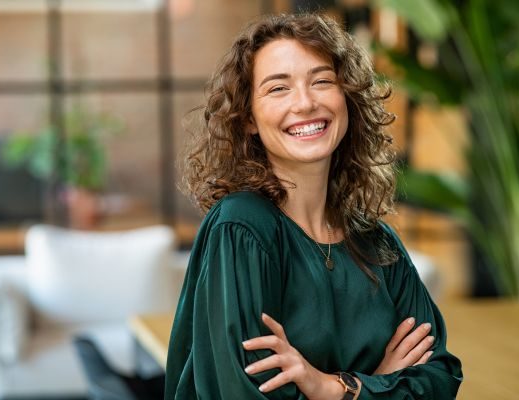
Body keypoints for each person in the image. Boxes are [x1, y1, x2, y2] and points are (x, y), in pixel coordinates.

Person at [165, 13, 462, 400]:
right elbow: (247, 393)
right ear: (248, 118)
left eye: (322, 81)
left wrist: (332, 387)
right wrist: (378, 382)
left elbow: (439, 378)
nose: (305, 103)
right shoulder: (242, 228)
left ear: (347, 99)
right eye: (278, 89)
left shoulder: (376, 242)